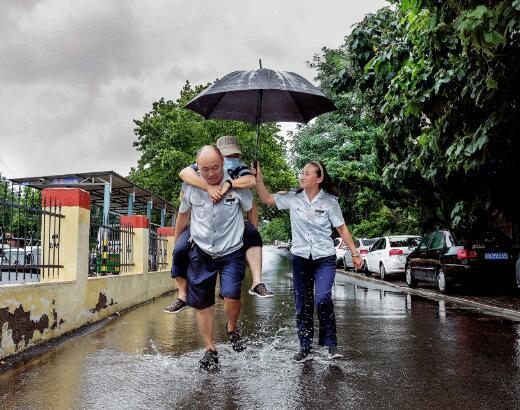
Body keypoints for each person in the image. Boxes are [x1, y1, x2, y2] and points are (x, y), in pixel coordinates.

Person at [253, 160, 363, 362]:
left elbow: (342, 228)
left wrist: (355, 253)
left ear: (319, 178)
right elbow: (266, 198)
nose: (301, 176)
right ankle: (305, 348)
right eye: (301, 172)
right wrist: (258, 176)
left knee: (322, 298)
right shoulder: (293, 198)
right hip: (301, 257)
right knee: (302, 303)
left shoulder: (330, 201)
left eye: (306, 173)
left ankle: (331, 345)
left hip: (324, 258)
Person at [164, 136, 272, 315]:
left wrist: (230, 183)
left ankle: (257, 282)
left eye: (235, 155)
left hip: (230, 224)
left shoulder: (240, 169)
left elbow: (251, 184)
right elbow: (184, 174)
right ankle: (182, 295)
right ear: (219, 155)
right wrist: (208, 186)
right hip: (201, 225)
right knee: (179, 250)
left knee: (253, 235)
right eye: (228, 155)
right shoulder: (200, 167)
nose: (232, 158)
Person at [175, 145, 252, 370]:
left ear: (223, 162)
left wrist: (253, 239)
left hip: (232, 250)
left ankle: (231, 326)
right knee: (202, 303)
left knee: (231, 296)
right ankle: (210, 349)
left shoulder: (236, 184)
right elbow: (183, 214)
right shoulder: (192, 186)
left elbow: (250, 208)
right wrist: (176, 242)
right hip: (201, 249)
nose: (211, 173)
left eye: (215, 167)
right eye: (205, 168)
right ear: (197, 166)